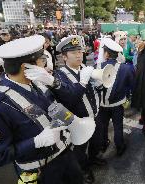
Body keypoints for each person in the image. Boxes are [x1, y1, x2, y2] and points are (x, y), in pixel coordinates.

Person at [0, 35, 84, 184]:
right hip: (41, 171)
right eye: (42, 61)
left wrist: (53, 82)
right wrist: (35, 142)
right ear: (25, 67)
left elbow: (71, 98)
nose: (45, 66)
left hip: (65, 156)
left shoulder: (38, 83)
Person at [50, 35, 105, 184]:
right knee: (80, 149)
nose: (79, 55)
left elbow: (95, 91)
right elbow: (70, 99)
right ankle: (84, 169)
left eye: (80, 51)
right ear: (64, 56)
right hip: (78, 122)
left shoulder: (87, 69)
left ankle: (93, 159)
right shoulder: (60, 76)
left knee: (97, 142)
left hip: (95, 115)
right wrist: (83, 81)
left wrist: (100, 85)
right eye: (74, 52)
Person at [96, 38, 134, 156]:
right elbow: (131, 84)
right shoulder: (126, 68)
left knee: (103, 125)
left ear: (106, 53)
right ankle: (119, 146)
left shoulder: (98, 66)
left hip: (102, 104)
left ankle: (103, 144)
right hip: (118, 104)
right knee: (118, 126)